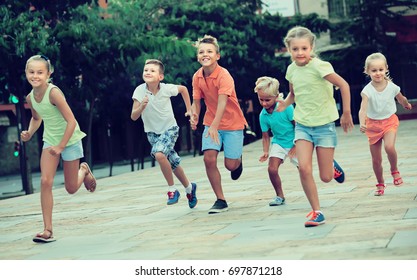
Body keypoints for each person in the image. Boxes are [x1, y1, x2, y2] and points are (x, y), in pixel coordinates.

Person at [278, 26, 354, 227]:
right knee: (303, 168)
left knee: (326, 177)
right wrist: (284, 104)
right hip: (302, 125)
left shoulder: (321, 66)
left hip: (324, 126)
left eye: (304, 48)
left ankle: (332, 167)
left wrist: (346, 113)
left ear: (311, 47)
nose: (300, 53)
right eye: (295, 49)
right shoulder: (291, 70)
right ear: (289, 49)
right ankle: (316, 211)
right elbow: (294, 94)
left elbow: (344, 85)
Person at [21, 55, 97, 243]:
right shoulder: (30, 97)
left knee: (71, 188)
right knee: (45, 182)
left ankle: (83, 170)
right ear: (26, 73)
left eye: (40, 72)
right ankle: (48, 229)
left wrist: (61, 145)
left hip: (69, 140)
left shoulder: (53, 93)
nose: (35, 76)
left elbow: (71, 121)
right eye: (32, 72)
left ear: (48, 73)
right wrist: (30, 133)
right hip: (50, 140)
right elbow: (37, 118)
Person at [190, 35, 247, 214]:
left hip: (232, 123)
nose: (205, 54)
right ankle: (220, 199)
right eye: (201, 52)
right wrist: (195, 116)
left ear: (217, 56)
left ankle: (237, 161)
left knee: (230, 165)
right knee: (209, 159)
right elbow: (197, 102)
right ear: (198, 56)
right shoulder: (197, 77)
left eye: (209, 51)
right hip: (211, 122)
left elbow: (222, 103)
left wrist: (215, 125)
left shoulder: (224, 75)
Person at [131, 59, 197, 208]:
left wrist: (189, 109)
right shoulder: (139, 91)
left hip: (170, 129)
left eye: (152, 70)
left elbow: (184, 89)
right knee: (172, 162)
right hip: (152, 134)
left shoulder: (167, 88)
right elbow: (133, 116)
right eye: (146, 70)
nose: (148, 72)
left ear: (160, 76)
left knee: (159, 154)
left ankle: (172, 190)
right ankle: (189, 188)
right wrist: (141, 106)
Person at [358, 52, 412, 196]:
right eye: (374, 70)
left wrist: (406, 104)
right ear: (367, 71)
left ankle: (394, 170)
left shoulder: (392, 87)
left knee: (389, 147)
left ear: (386, 68)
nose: (377, 73)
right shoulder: (367, 91)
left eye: (380, 70)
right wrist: (362, 122)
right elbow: (363, 109)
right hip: (372, 125)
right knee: (376, 160)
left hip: (389, 121)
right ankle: (380, 183)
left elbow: (401, 98)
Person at [254, 76, 298, 206]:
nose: (264, 103)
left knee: (303, 169)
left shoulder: (286, 107)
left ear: (276, 96)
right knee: (272, 169)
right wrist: (266, 151)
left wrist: (296, 145)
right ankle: (279, 196)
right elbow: (266, 136)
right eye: (261, 100)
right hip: (278, 142)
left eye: (267, 100)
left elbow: (297, 126)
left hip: (295, 140)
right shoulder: (263, 115)